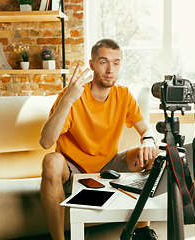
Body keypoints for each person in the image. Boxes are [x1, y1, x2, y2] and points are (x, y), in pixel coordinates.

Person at [39, 38, 158, 240]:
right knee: (51, 161)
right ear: (92, 64)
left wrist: (147, 140)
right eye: (103, 62)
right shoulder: (72, 96)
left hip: (109, 165)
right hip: (72, 168)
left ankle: (142, 229)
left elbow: (146, 129)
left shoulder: (124, 95)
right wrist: (68, 99)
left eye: (116, 62)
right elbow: (46, 142)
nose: (110, 69)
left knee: (154, 155)